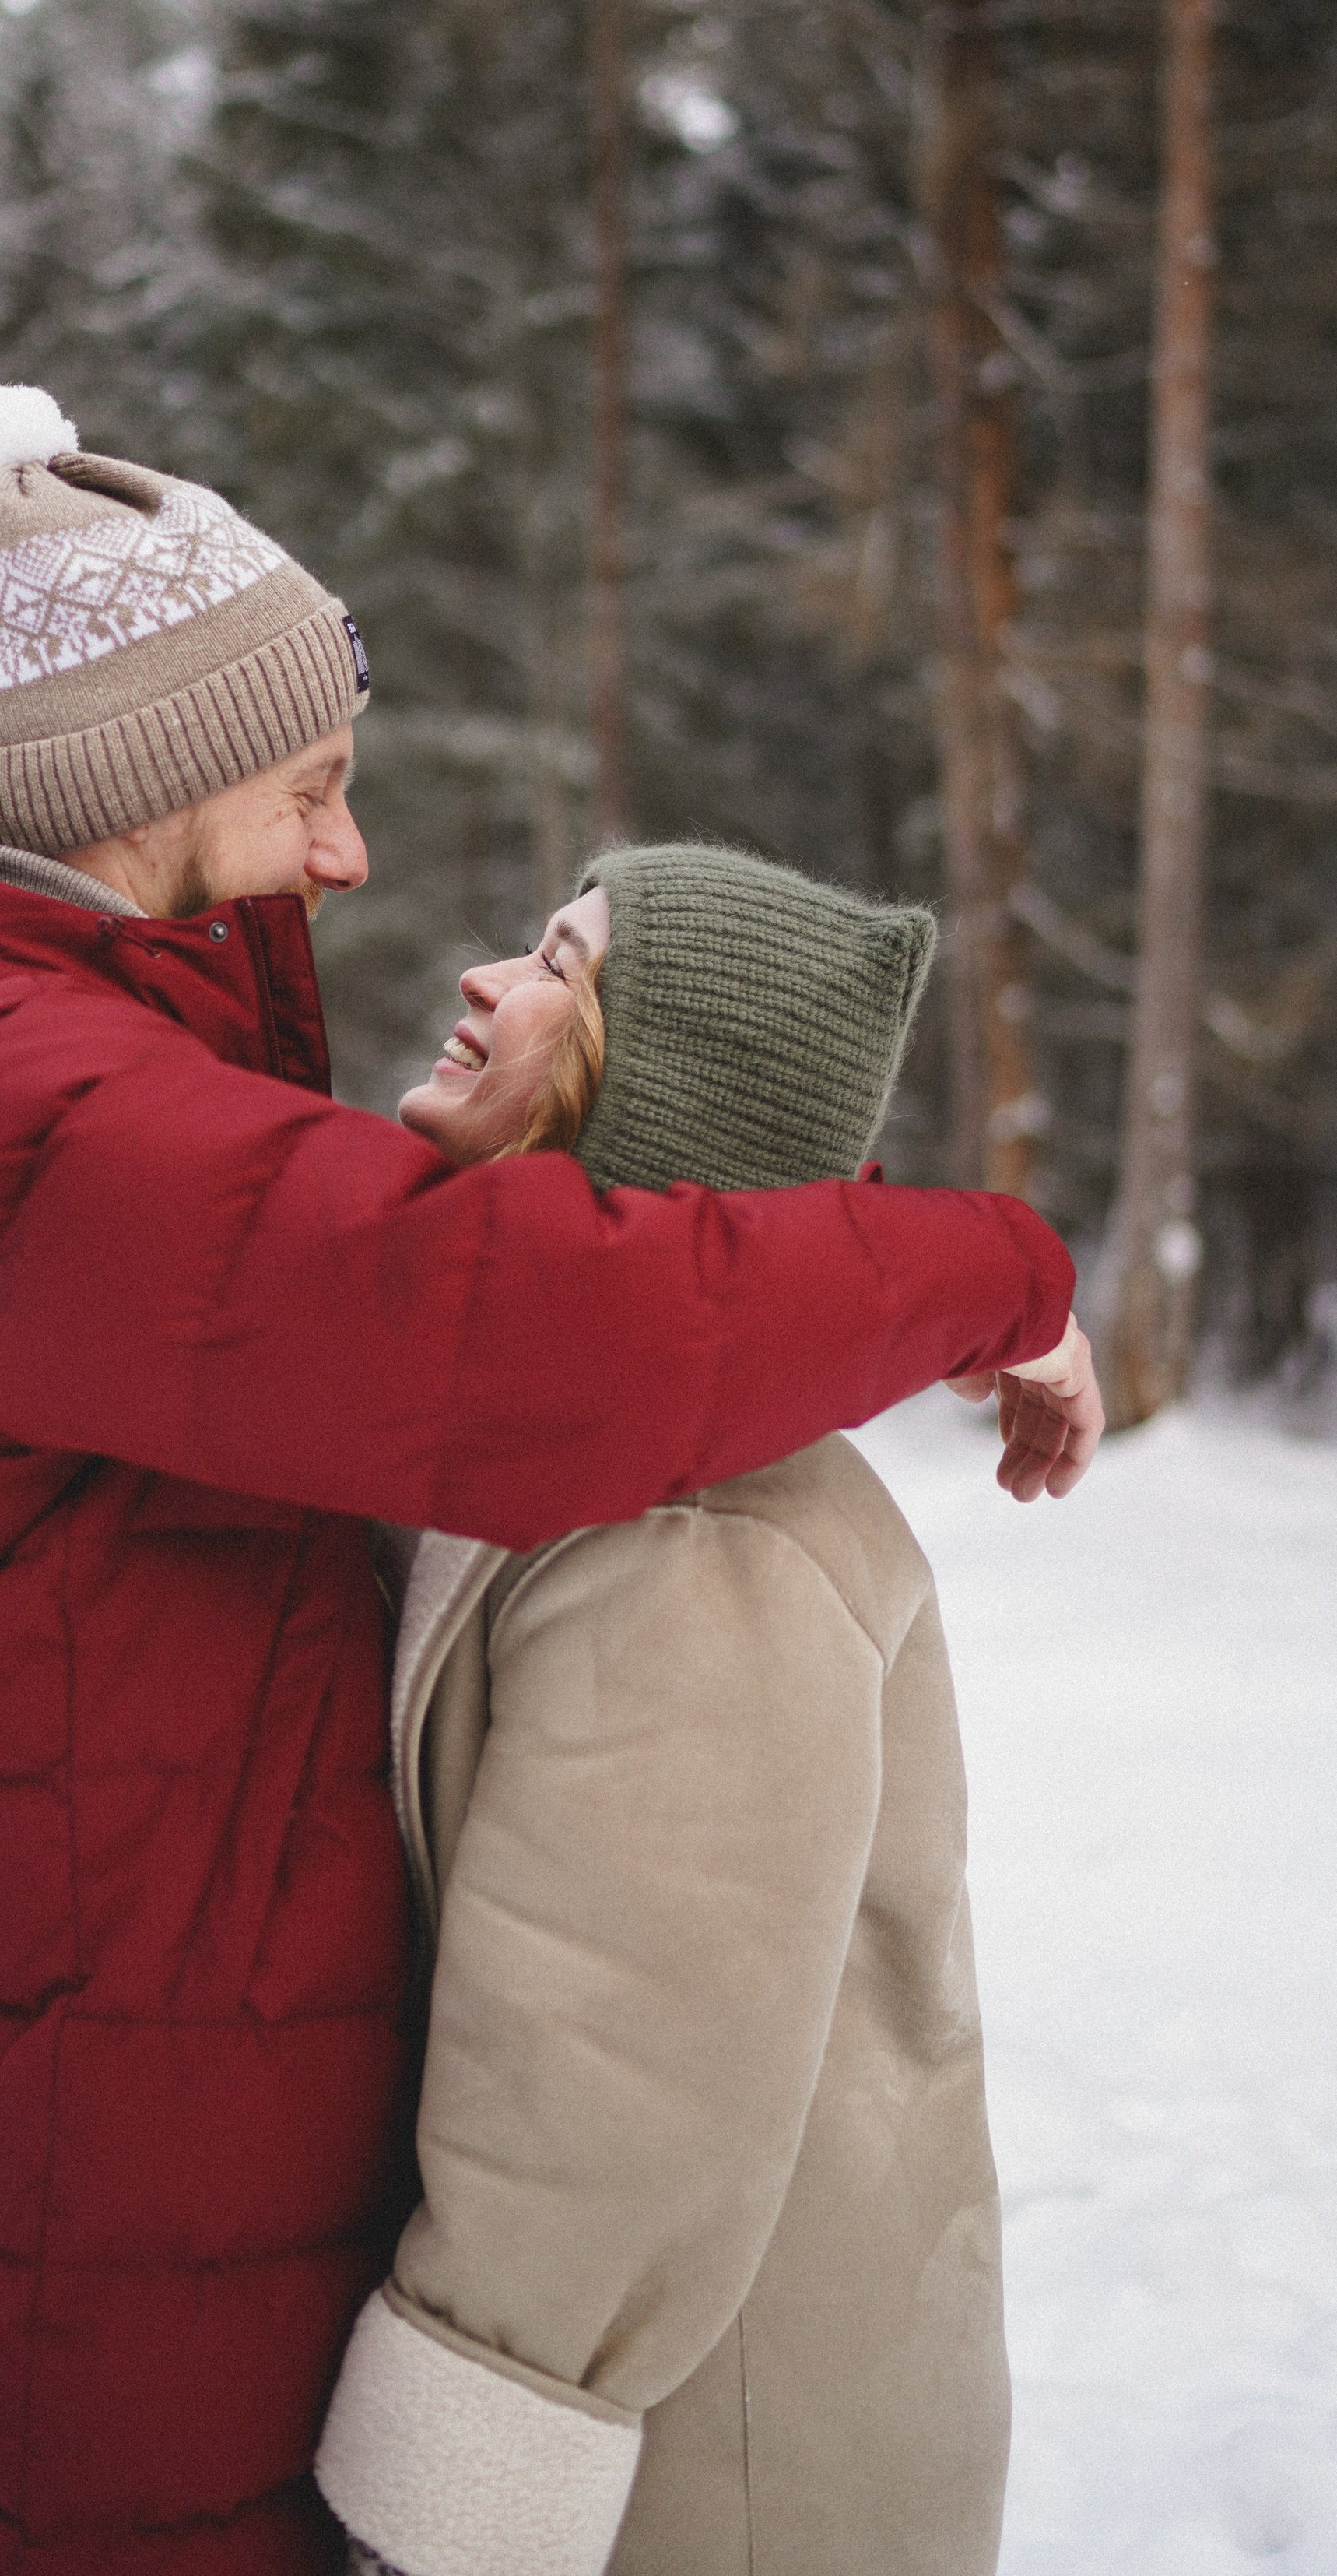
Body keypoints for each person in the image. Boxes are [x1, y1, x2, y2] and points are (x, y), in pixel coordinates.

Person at [0, 387, 1100, 2576]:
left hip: (142, 2104)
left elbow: (632, 2056)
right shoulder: (28, 1115)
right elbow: (514, 1331)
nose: (353, 868)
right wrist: (991, 1264)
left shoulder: (60, 1085)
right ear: (160, 784)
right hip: (103, 2147)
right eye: (314, 791)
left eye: (558, 960)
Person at [318, 845, 1060, 2576]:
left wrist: (447, 2497)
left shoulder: (699, 1536)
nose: (483, 981)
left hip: (707, 2476)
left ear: (651, 1094)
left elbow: (610, 2073)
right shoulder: (569, 1447)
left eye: (561, 967)